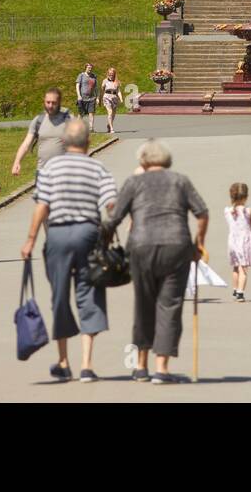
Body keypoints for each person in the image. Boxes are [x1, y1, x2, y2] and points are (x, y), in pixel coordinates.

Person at [20, 119, 117, 383]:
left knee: (60, 295)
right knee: (89, 292)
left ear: (64, 142)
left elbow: (42, 205)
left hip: (58, 236)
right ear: (87, 142)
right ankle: (87, 365)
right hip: (88, 234)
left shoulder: (51, 167)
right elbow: (111, 204)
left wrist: (30, 239)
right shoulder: (97, 167)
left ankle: (64, 361)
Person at [104, 139, 208, 385]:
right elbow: (202, 212)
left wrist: (104, 241)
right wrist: (198, 243)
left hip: (141, 247)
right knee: (170, 305)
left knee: (144, 304)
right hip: (176, 246)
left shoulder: (134, 182)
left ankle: (141, 366)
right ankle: (161, 368)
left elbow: (114, 217)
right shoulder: (179, 180)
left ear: (143, 160)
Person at [11, 88, 70, 179]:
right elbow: (26, 144)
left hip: (63, 174)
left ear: (59, 102)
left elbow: (80, 144)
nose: (50, 105)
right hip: (42, 172)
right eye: (48, 102)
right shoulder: (38, 120)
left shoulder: (68, 120)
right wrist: (17, 161)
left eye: (54, 103)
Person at [224, 183, 251, 302]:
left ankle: (235, 289)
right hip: (244, 242)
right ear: (246, 197)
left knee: (235, 267)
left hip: (233, 242)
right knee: (243, 269)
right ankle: (240, 293)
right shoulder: (248, 210)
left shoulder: (227, 211)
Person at [76, 63, 98, 131]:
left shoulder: (94, 76)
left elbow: (96, 88)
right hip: (82, 98)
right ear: (85, 68)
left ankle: (91, 128)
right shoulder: (81, 75)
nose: (90, 69)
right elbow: (77, 86)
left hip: (91, 98)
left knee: (91, 113)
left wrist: (97, 97)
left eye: (91, 68)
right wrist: (79, 95)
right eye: (88, 67)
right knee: (81, 114)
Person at [101, 68, 122, 134]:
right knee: (110, 112)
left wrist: (121, 98)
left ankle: (109, 125)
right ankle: (111, 128)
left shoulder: (117, 81)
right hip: (107, 97)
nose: (111, 75)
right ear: (108, 74)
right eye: (109, 74)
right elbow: (102, 90)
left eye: (112, 74)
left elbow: (118, 91)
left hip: (114, 97)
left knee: (113, 114)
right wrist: (99, 98)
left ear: (114, 74)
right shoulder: (105, 81)